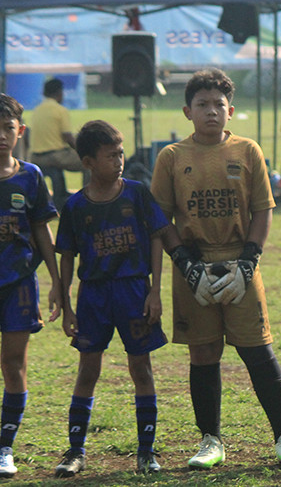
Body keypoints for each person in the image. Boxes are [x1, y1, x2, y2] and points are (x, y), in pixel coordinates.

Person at [150, 68, 281, 470]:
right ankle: (210, 439)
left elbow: (263, 210)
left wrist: (249, 260)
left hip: (240, 261)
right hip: (192, 265)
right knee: (203, 353)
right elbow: (159, 221)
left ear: (230, 110)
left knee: (258, 349)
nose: (211, 112)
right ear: (188, 111)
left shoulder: (248, 150)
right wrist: (184, 265)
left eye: (218, 105)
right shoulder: (172, 157)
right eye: (202, 105)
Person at [53, 120, 169, 476]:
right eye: (110, 156)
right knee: (88, 369)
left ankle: (146, 452)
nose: (119, 161)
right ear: (88, 162)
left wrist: (155, 290)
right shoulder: (75, 206)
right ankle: (75, 451)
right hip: (94, 296)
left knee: (141, 368)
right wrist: (68, 306)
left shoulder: (136, 193)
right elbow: (68, 256)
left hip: (134, 290)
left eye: (120, 153)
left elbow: (156, 238)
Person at [0, 94, 60, 477]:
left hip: (18, 284)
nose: (2, 136)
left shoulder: (31, 176)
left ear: (20, 131)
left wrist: (57, 281)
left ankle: (5, 447)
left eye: (7, 128)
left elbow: (41, 231)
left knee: (13, 363)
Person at [30, 78, 84, 209]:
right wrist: (83, 151)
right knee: (90, 163)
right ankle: (89, 198)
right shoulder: (60, 110)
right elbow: (68, 137)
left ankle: (61, 194)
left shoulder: (36, 110)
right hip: (55, 156)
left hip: (35, 157)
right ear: (60, 93)